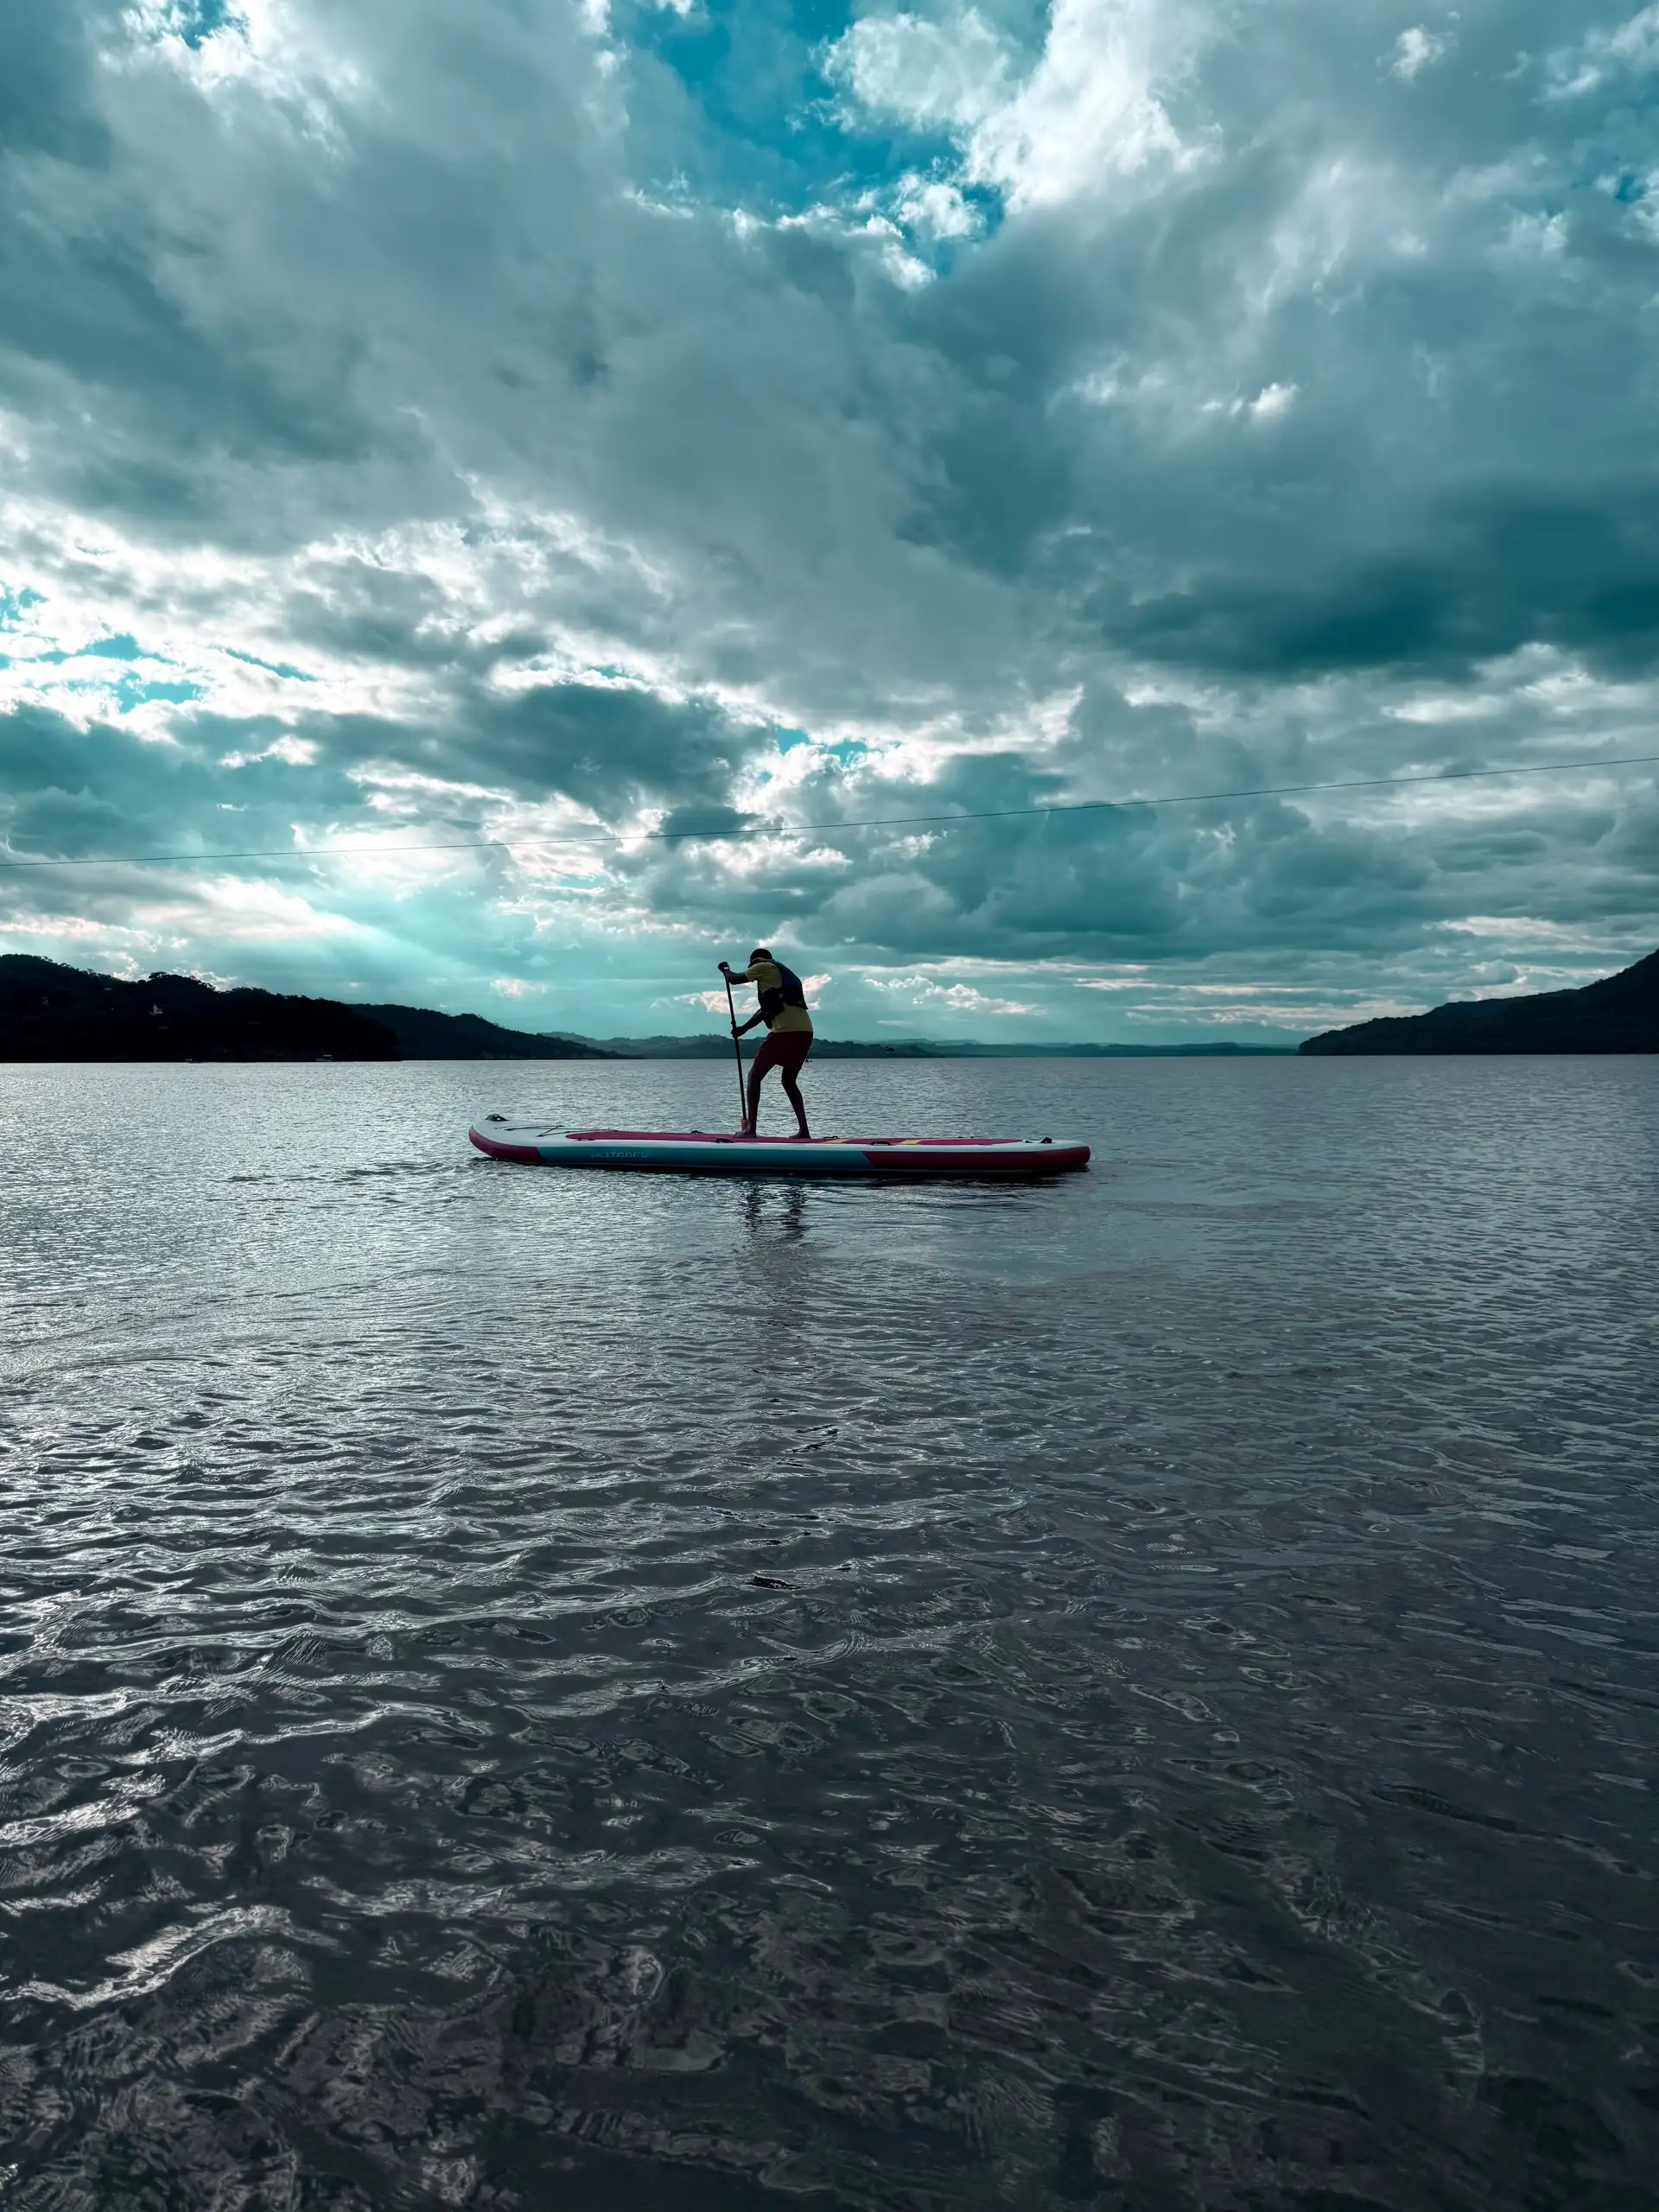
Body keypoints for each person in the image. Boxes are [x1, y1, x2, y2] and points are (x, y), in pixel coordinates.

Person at [719, 947, 813, 1138]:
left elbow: (735, 979)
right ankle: (804, 1131)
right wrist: (743, 1029)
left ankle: (750, 1130)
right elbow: (765, 1011)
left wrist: (725, 970)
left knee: (755, 1076)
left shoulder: (762, 966)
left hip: (783, 1033)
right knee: (789, 1081)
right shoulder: (781, 975)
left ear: (754, 961)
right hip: (805, 1032)